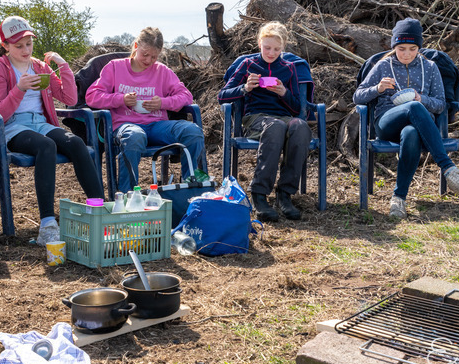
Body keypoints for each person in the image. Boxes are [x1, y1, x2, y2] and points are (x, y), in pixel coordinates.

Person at [0, 16, 105, 246]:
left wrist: (63, 66)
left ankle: (100, 211)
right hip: (11, 126)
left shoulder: (40, 67)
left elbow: (70, 98)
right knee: (46, 145)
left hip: (41, 123)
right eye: (18, 46)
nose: (25, 50)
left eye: (29, 44)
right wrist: (19, 89)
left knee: (76, 143)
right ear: (5, 46)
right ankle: (47, 225)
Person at [352, 18, 459, 219]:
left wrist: (421, 98)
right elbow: (357, 97)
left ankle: (398, 199)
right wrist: (378, 88)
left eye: (412, 48)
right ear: (394, 46)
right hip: (386, 122)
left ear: (419, 47)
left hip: (418, 127)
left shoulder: (431, 67)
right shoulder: (383, 66)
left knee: (410, 132)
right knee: (413, 107)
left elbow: (440, 105)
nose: (407, 54)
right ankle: (447, 167)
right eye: (401, 48)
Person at [85, 27, 205, 193]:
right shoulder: (114, 68)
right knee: (134, 137)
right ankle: (127, 195)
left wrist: (162, 103)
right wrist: (121, 99)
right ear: (135, 46)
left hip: (157, 126)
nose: (149, 60)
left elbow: (186, 96)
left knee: (193, 132)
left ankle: (190, 188)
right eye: (145, 54)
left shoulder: (162, 71)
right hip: (125, 125)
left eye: (154, 56)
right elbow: (92, 96)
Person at [218, 22, 312, 222]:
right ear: (259, 43)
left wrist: (284, 93)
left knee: (301, 127)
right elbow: (222, 96)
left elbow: (297, 109)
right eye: (267, 47)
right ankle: (259, 194)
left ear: (283, 48)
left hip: (283, 116)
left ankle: (284, 194)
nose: (271, 53)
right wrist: (245, 88)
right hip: (256, 118)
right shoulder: (248, 65)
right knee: (275, 126)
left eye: (277, 49)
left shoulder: (289, 68)